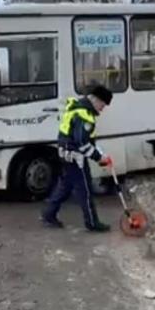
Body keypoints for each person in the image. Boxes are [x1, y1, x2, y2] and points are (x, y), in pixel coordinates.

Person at [41, 85, 113, 232]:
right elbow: (82, 143)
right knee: (85, 190)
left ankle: (48, 214)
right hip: (76, 158)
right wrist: (98, 158)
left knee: (65, 186)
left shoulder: (76, 108)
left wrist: (99, 153)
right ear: (95, 100)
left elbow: (84, 140)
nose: (102, 109)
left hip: (65, 154)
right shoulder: (84, 115)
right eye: (102, 104)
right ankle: (92, 223)